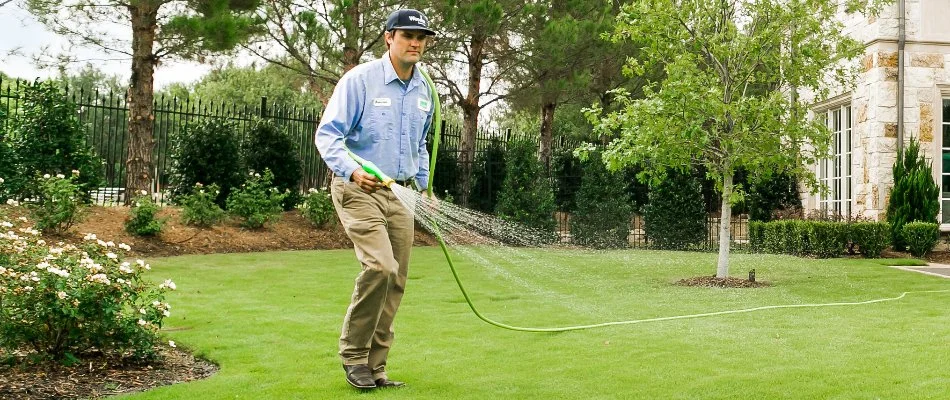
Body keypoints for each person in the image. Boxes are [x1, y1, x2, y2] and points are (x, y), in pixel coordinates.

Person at [314, 8, 437, 390]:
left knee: (396, 278)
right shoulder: (361, 81)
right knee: (381, 266)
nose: (415, 42)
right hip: (359, 188)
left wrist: (424, 187)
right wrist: (352, 171)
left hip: (401, 193)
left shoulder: (425, 90)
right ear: (389, 38)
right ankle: (354, 356)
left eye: (421, 37)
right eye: (407, 35)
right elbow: (327, 135)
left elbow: (419, 144)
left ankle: (376, 367)